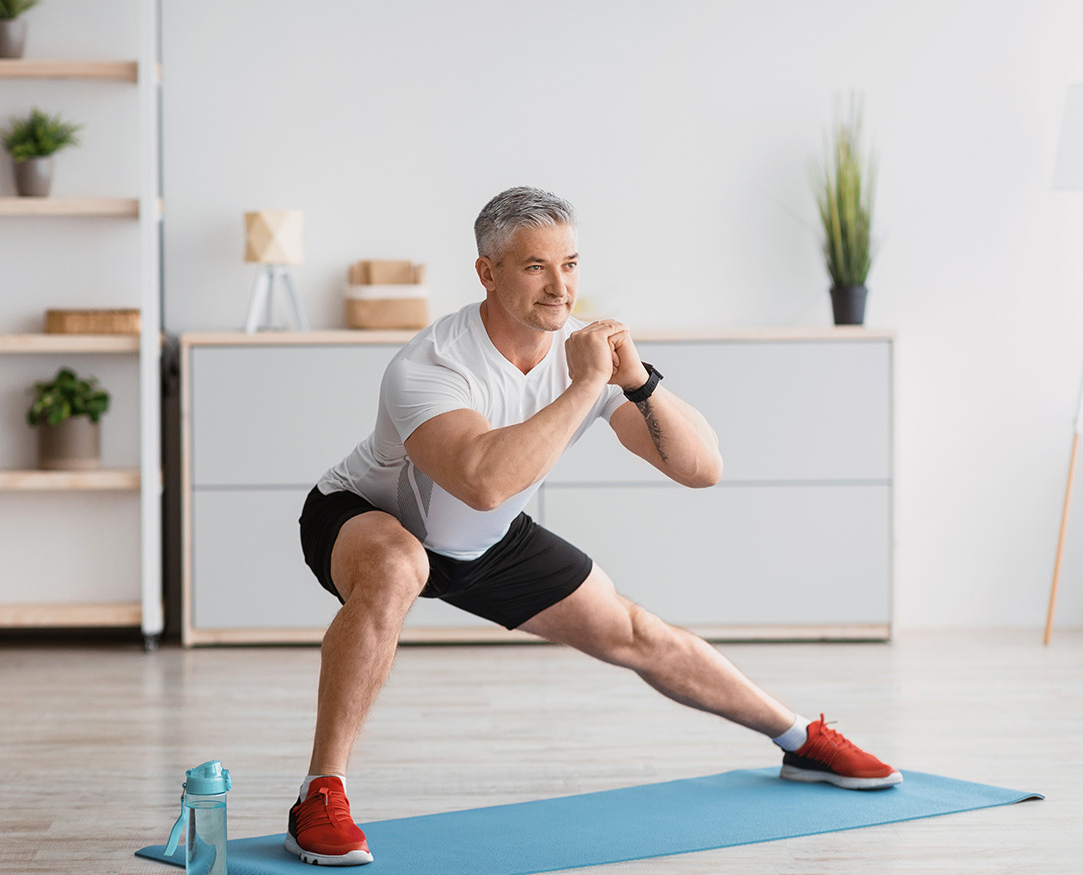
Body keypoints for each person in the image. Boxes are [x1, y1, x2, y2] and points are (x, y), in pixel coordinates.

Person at [285, 186, 900, 867]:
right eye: (536, 267)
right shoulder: (432, 365)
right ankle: (321, 791)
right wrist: (585, 386)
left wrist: (636, 382)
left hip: (483, 537)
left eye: (571, 264)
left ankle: (799, 740)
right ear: (487, 272)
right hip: (365, 516)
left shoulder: (584, 358)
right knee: (400, 564)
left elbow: (704, 468)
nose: (561, 287)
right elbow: (483, 478)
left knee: (636, 632)